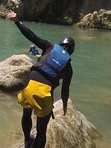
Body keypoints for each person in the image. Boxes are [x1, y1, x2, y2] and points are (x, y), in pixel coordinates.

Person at [6, 10, 74, 148]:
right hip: (43, 94)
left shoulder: (49, 46)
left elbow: (31, 36)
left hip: (28, 86)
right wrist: (65, 106)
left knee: (26, 114)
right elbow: (65, 90)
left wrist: (16, 21)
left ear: (60, 44)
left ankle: (26, 141)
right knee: (42, 131)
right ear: (71, 51)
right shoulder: (68, 67)